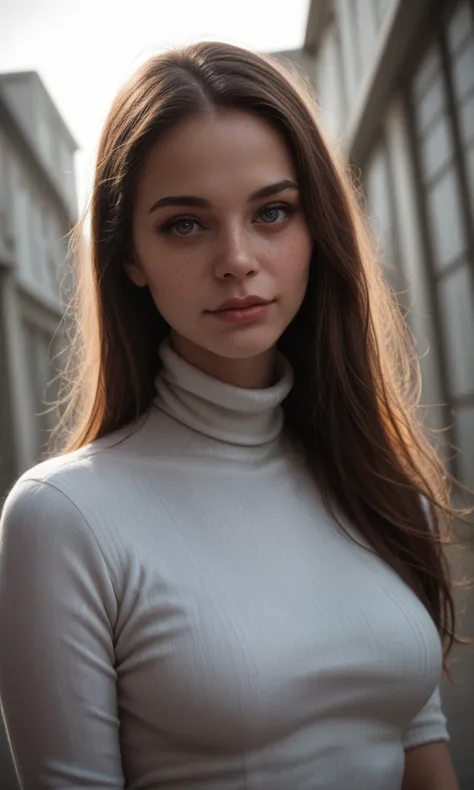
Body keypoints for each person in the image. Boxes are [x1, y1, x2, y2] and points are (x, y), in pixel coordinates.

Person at [0, 41, 462, 790]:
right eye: (186, 224)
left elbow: (421, 750)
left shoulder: (379, 485)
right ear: (130, 256)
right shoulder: (66, 518)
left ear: (318, 231)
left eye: (273, 212)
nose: (237, 258)